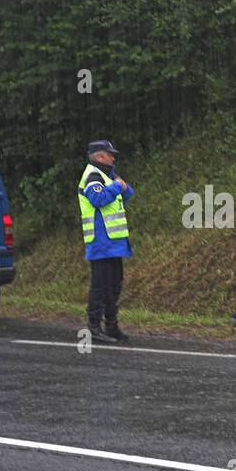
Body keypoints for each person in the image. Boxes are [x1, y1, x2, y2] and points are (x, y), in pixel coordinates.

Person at [78, 139, 134, 343]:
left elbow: (128, 193)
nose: (113, 157)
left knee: (114, 285)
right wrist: (117, 187)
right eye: (109, 154)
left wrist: (121, 186)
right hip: (101, 241)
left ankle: (111, 326)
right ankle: (94, 326)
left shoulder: (107, 175)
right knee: (100, 286)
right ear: (99, 157)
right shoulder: (93, 175)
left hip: (114, 242)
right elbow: (97, 199)